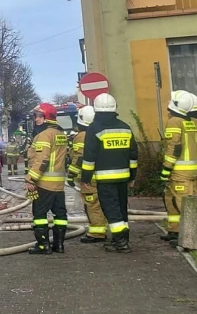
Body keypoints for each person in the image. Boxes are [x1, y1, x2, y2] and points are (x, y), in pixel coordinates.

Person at [78, 94, 137, 252]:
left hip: (105, 179)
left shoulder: (94, 128)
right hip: (123, 178)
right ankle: (124, 238)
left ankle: (121, 243)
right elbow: (133, 155)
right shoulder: (125, 127)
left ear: (96, 109)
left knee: (111, 209)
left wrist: (86, 178)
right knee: (121, 208)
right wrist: (132, 175)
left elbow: (89, 157)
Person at [24, 102, 70, 254]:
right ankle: (59, 245)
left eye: (38, 116)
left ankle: (43, 245)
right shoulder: (60, 134)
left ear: (46, 117)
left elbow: (42, 160)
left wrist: (31, 179)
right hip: (58, 185)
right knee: (60, 215)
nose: (35, 119)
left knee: (39, 215)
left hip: (44, 184)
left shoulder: (44, 135)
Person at [160, 90, 197, 243]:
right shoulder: (188, 122)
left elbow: (174, 147)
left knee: (180, 204)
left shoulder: (174, 122)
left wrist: (166, 168)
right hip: (188, 171)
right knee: (171, 201)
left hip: (179, 172)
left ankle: (187, 236)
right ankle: (175, 230)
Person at [69, 105, 108, 244]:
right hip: (102, 175)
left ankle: (97, 233)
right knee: (101, 204)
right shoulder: (101, 131)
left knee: (92, 205)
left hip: (89, 178)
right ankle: (102, 229)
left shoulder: (82, 136)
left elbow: (79, 157)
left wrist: (70, 174)